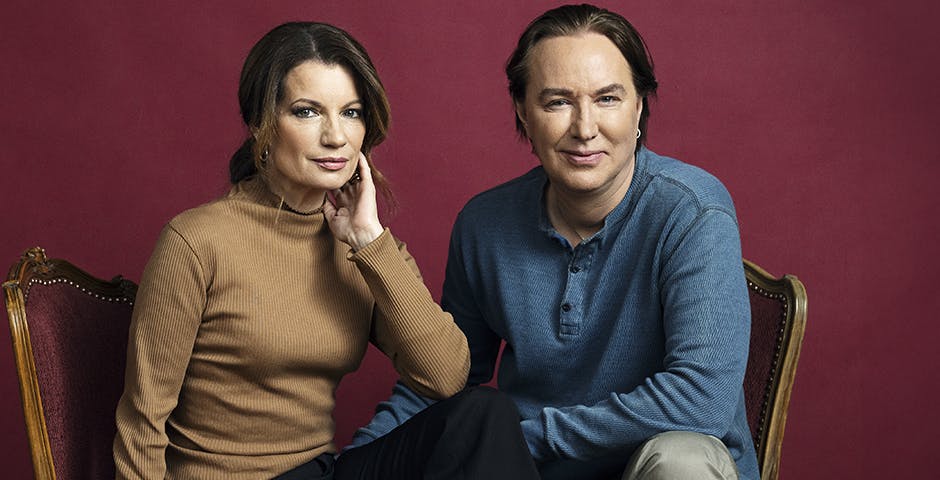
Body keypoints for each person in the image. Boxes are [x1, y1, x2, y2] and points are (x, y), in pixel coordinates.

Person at [113, 22, 538, 480]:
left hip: (321, 471)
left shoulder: (366, 248)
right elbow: (142, 422)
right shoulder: (196, 242)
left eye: (351, 113)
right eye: (307, 112)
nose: (336, 137)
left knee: (483, 414)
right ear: (261, 124)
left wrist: (370, 241)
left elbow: (447, 377)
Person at [349, 4, 759, 480]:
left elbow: (701, 400)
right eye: (558, 102)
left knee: (680, 460)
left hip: (651, 468)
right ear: (523, 113)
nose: (584, 129)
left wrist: (526, 438)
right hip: (523, 470)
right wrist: (360, 460)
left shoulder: (691, 212)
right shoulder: (485, 224)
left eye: (607, 99)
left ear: (639, 106)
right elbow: (445, 381)